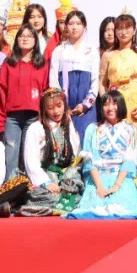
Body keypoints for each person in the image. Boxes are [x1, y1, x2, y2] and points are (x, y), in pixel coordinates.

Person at [66, 91, 137, 219]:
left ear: (121, 105)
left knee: (122, 206)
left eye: (114, 103)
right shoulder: (92, 129)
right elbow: (89, 161)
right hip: (98, 177)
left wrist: (116, 186)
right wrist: (99, 186)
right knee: (95, 207)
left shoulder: (131, 129)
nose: (110, 108)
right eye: (106, 104)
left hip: (122, 178)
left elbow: (130, 161)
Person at [101, 12, 137, 196]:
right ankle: (113, 187)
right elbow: (102, 82)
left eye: (127, 28)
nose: (123, 32)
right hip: (115, 103)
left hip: (135, 104)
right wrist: (106, 103)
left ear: (134, 31)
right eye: (119, 28)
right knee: (115, 143)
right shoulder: (108, 55)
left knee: (135, 144)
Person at [0, 25, 48, 178]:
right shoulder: (8, 64)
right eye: (21, 36)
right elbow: (0, 92)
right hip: (12, 118)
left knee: (30, 155)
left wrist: (45, 119)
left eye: (29, 36)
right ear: (16, 40)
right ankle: (10, 187)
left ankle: (29, 186)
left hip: (34, 117)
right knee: (11, 153)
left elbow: (46, 93)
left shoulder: (42, 65)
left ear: (35, 40)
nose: (25, 39)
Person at [19, 88, 83, 216]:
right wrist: (45, 183)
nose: (56, 111)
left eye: (59, 106)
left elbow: (77, 155)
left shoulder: (68, 123)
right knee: (41, 195)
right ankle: (56, 205)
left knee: (77, 192)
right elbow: (31, 161)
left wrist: (69, 176)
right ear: (44, 109)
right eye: (50, 108)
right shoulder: (35, 128)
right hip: (45, 175)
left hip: (67, 176)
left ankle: (55, 205)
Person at [48, 10, 100, 139]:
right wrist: (61, 106)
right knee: (63, 142)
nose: (74, 27)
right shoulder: (59, 50)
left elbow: (95, 81)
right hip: (64, 108)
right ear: (66, 26)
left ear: (85, 26)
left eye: (78, 23)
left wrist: (85, 105)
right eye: (71, 23)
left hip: (86, 109)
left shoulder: (92, 51)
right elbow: (53, 80)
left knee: (85, 142)